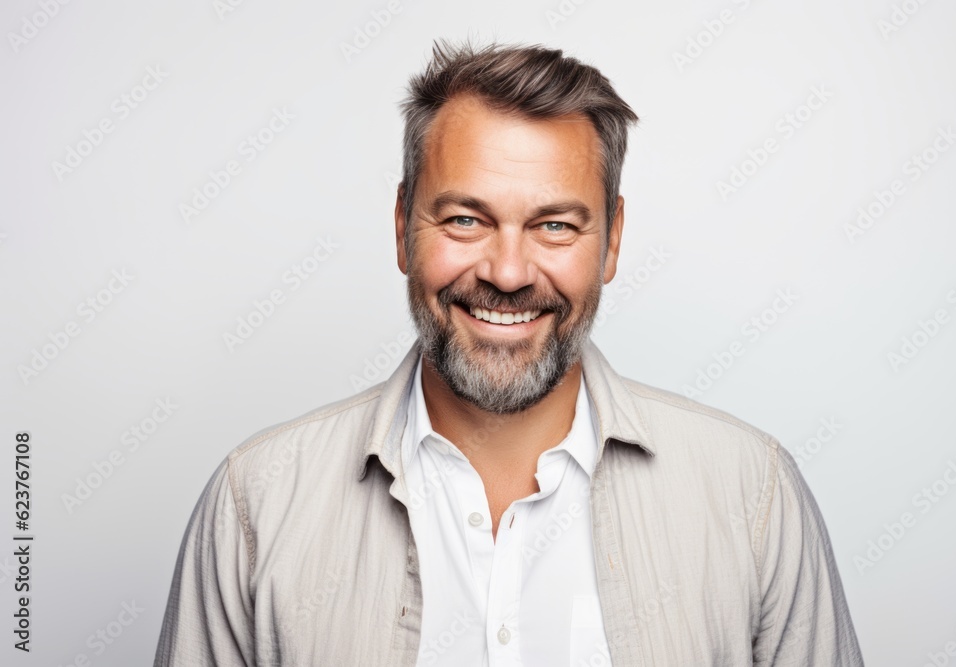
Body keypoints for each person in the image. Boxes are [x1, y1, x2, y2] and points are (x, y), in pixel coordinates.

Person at [155, 39, 864, 666]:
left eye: (554, 225)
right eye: (466, 218)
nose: (508, 271)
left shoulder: (753, 496)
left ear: (612, 240)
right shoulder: (256, 504)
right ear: (403, 225)